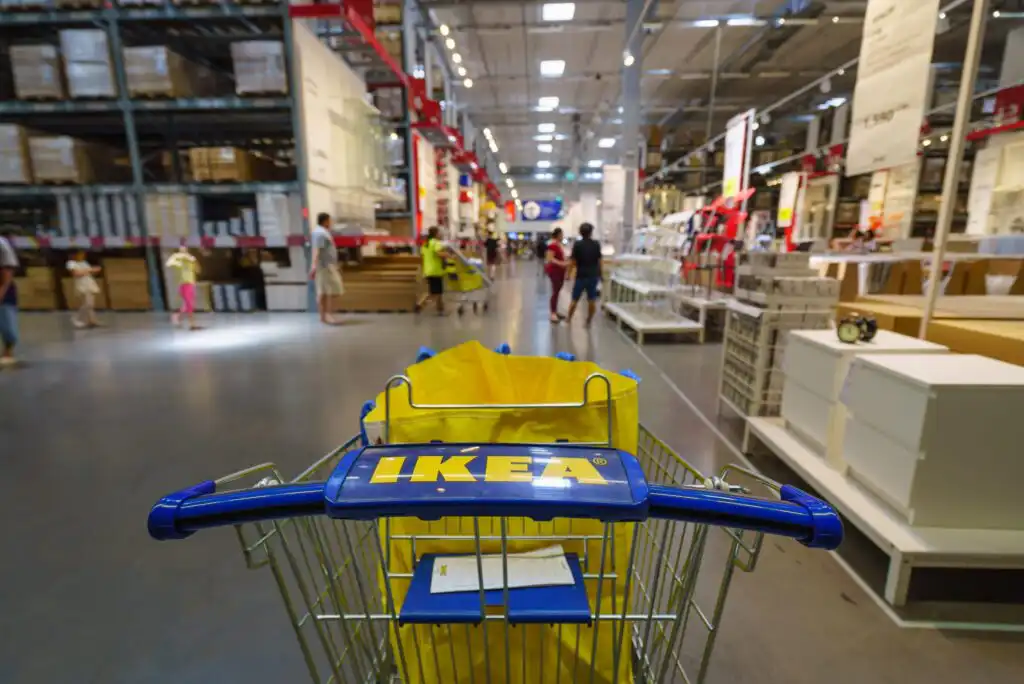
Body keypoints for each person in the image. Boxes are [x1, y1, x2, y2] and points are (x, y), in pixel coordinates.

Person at [309, 212, 344, 325]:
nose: (331, 223)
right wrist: (314, 266)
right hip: (325, 267)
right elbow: (317, 250)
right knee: (329, 290)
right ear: (325, 221)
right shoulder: (320, 233)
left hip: (326, 265)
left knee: (325, 291)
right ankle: (327, 315)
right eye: (330, 220)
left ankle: (323, 316)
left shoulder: (321, 232)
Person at [567, 222, 603, 327]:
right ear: (591, 232)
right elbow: (600, 260)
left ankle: (569, 319)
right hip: (593, 275)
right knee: (591, 300)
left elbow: (573, 261)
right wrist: (600, 274)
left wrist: (568, 274)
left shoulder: (577, 244)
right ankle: (589, 321)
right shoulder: (596, 244)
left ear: (580, 232)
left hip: (581, 276)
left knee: (575, 299)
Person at [165, 246, 201, 330]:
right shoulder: (179, 262)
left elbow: (198, 270)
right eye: (181, 251)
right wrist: (175, 256)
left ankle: (176, 317)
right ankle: (192, 324)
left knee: (187, 304)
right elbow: (169, 263)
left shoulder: (191, 260)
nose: (183, 253)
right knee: (189, 305)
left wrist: (194, 261)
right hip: (184, 285)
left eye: (184, 251)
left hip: (191, 284)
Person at [416, 226, 449, 315]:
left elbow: (422, 256)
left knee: (438, 292)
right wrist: (448, 254)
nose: (440, 234)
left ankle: (440, 309)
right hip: (435, 271)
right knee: (435, 293)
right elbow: (439, 253)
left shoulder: (425, 244)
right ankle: (420, 305)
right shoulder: (436, 243)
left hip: (428, 270)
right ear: (436, 234)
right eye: (439, 233)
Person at [66, 251, 102, 329]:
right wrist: (91, 270)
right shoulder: (71, 263)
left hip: (89, 282)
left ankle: (92, 321)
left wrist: (94, 271)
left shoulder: (84, 263)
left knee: (91, 304)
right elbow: (76, 274)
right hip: (82, 284)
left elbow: (88, 272)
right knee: (87, 303)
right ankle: (76, 318)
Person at [0, 233, 18, 366]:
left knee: (8, 326)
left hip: (3, 287)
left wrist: (2, 291)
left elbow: (7, 270)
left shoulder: (2, 244)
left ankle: (7, 351)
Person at [544, 228, 568, 323]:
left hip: (560, 271)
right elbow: (550, 259)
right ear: (558, 235)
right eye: (561, 234)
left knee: (557, 292)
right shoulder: (552, 245)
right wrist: (562, 263)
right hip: (555, 271)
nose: (563, 236)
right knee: (555, 292)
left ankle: (555, 311)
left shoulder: (559, 245)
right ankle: (553, 313)